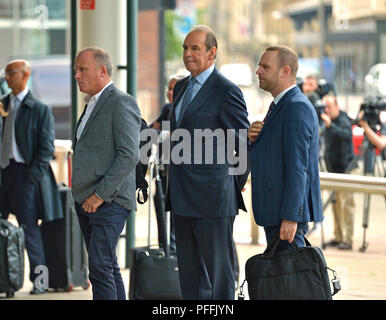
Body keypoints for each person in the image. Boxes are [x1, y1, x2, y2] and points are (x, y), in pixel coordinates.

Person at [165, 25, 250, 300]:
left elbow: (242, 145)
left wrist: (229, 184)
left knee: (219, 275)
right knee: (189, 274)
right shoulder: (180, 87)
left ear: (212, 53)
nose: (188, 54)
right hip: (180, 196)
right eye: (185, 49)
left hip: (213, 198)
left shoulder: (226, 91)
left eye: (195, 49)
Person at [72, 47, 141, 300]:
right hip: (86, 200)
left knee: (99, 267)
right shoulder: (92, 103)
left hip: (107, 200)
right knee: (107, 265)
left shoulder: (121, 102)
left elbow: (128, 155)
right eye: (75, 70)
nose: (77, 76)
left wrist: (99, 195)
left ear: (102, 71)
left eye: (82, 70)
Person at [248, 45, 323, 250]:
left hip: (285, 217)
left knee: (292, 278)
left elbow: (299, 168)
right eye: (259, 66)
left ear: (285, 71)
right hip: (275, 212)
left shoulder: (295, 107)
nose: (258, 71)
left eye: (265, 67)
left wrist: (291, 217)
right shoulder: (281, 105)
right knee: (283, 279)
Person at [0, 59, 63, 294]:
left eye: (11, 73)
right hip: (3, 173)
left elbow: (46, 147)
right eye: (5, 73)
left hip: (24, 175)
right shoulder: (2, 105)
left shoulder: (39, 109)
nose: (6, 77)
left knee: (30, 230)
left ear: (25, 75)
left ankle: (41, 283)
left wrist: (32, 177)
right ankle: (4, 279)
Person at [150, 74, 184, 251]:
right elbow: (149, 133)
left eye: (174, 88)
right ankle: (165, 257)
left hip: (180, 178)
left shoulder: (188, 111)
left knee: (177, 226)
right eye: (169, 88)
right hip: (162, 176)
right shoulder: (167, 109)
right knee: (162, 221)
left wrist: (163, 133)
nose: (170, 92)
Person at [321, 94, 356, 250]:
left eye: (328, 107)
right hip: (333, 170)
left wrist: (330, 125)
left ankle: (347, 239)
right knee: (335, 204)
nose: (326, 110)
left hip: (346, 169)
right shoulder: (327, 121)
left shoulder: (342, 119)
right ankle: (338, 236)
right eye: (324, 107)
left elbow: (347, 134)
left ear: (336, 106)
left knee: (347, 204)